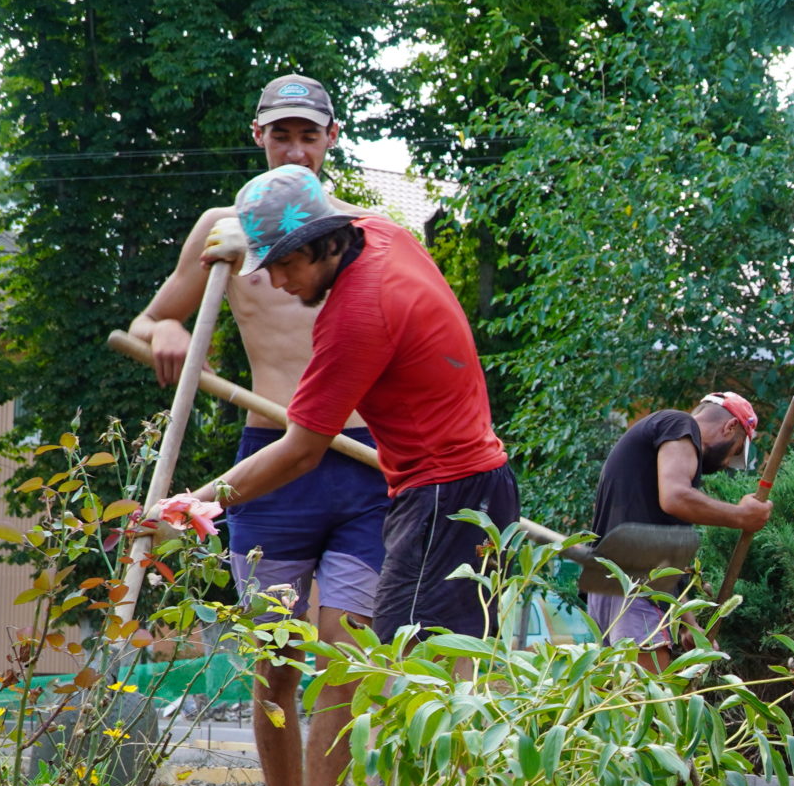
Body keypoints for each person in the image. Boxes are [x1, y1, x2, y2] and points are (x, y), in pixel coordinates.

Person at [127, 74, 382, 786]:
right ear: (258, 136)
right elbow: (151, 322)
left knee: (346, 648)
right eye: (282, 135)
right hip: (272, 464)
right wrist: (169, 331)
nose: (296, 149)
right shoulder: (224, 228)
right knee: (275, 660)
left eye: (310, 135)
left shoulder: (364, 228)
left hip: (365, 465)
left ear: (333, 139)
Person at [148, 163, 517, 647]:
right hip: (475, 484)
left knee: (418, 666)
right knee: (444, 657)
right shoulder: (384, 235)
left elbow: (301, 451)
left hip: (443, 497)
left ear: (316, 245)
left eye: (281, 263)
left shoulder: (357, 316)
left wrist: (192, 504)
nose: (276, 282)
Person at [583, 391, 770, 654]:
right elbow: (675, 498)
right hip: (634, 589)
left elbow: (660, 564)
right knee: (643, 694)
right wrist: (742, 517)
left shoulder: (657, 462)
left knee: (622, 693)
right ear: (730, 427)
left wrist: (689, 626)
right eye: (736, 450)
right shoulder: (679, 423)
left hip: (614, 588)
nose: (728, 462)